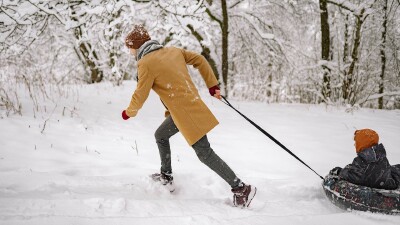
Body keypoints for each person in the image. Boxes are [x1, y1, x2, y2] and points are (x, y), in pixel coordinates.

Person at [121, 24, 257, 207]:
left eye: (129, 47)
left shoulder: (145, 63)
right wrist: (212, 85)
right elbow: (199, 59)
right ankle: (166, 176)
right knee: (160, 135)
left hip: (186, 114)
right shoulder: (173, 51)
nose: (128, 51)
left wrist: (129, 112)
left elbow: (141, 94)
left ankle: (241, 188)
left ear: (136, 45)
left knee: (204, 153)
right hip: (183, 110)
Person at [329, 128, 400, 190]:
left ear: (362, 144)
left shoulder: (362, 161)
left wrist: (339, 171)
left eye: (356, 142)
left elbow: (353, 176)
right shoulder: (381, 156)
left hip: (378, 187)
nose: (354, 145)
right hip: (388, 182)